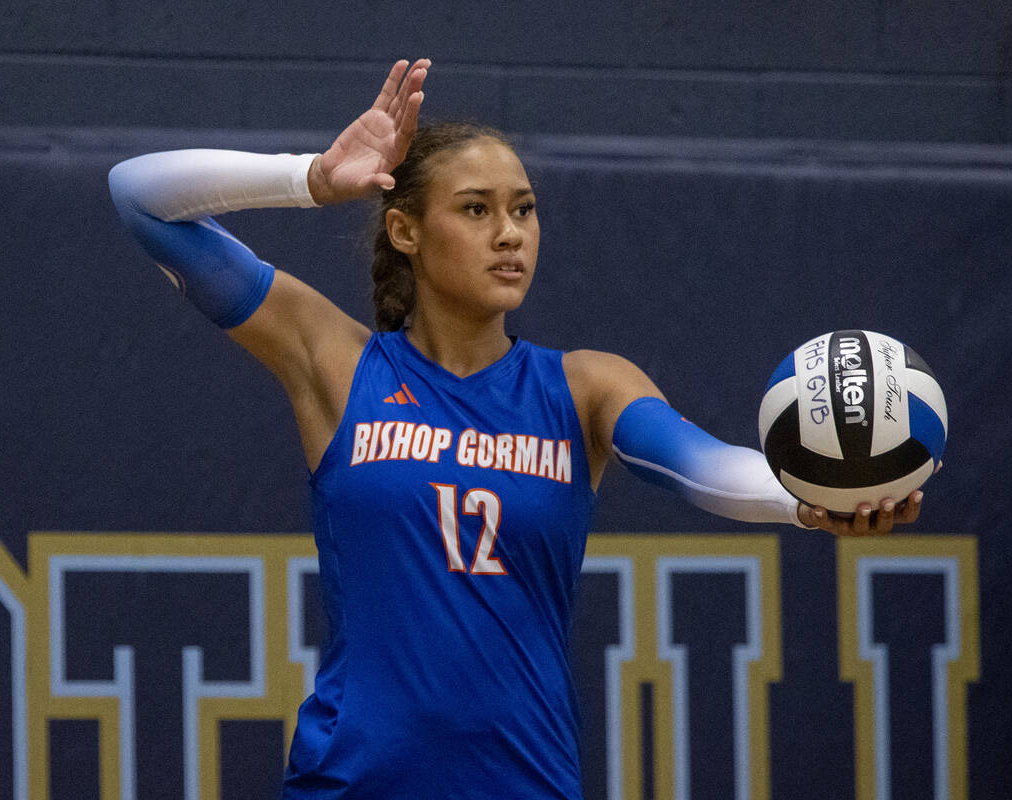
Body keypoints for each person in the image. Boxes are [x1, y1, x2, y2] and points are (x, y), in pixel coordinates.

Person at [108, 59, 923, 799]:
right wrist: (311, 179)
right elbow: (138, 194)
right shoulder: (340, 364)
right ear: (406, 231)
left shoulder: (584, 387)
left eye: (524, 211)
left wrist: (801, 500)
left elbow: (703, 465)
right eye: (476, 209)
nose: (511, 233)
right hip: (352, 785)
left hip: (524, 784)